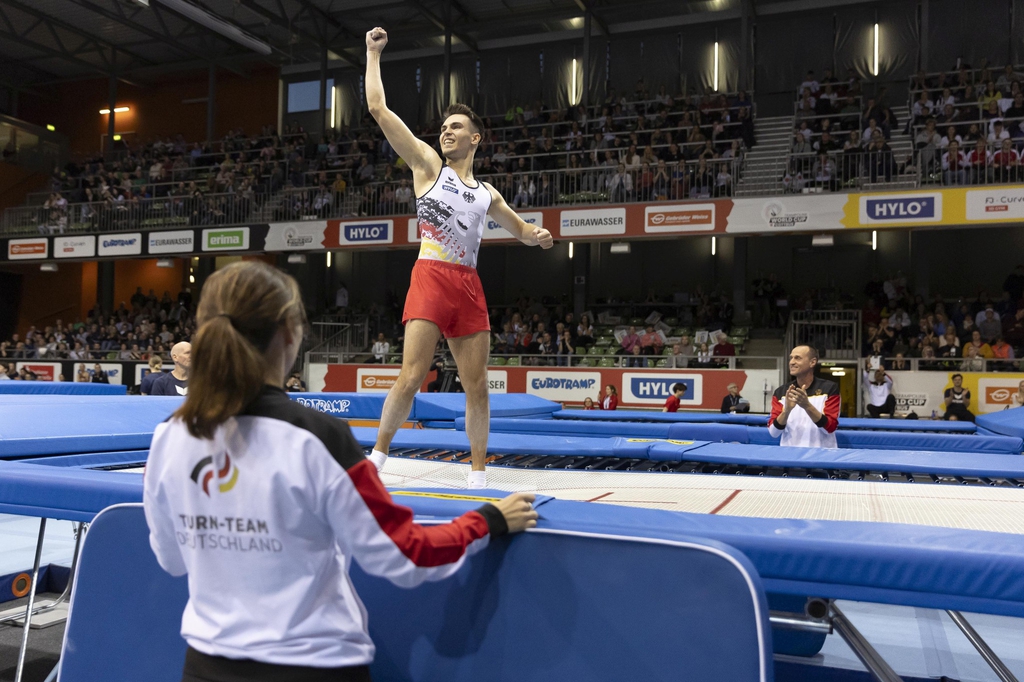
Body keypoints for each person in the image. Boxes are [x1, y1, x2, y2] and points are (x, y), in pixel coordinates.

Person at [143, 261, 537, 682]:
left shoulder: (170, 437)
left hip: (206, 665)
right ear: (290, 336)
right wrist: (486, 521)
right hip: (312, 665)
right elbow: (404, 556)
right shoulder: (318, 438)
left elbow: (172, 560)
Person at [363, 28, 553, 489]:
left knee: (478, 388)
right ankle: (378, 457)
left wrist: (538, 236)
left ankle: (478, 473)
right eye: (444, 127)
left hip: (468, 284)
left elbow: (521, 229)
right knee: (410, 377)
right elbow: (378, 109)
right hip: (430, 275)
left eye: (455, 127)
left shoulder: (486, 192)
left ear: (475, 139)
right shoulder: (427, 166)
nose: (446, 131)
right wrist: (372, 54)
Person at [768, 345, 840, 447]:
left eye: (797, 358)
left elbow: (830, 427)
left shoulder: (830, 389)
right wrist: (786, 411)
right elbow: (773, 433)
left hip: (822, 458)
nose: (791, 362)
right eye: (791, 358)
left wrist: (807, 406)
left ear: (812, 362)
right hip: (791, 458)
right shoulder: (781, 392)